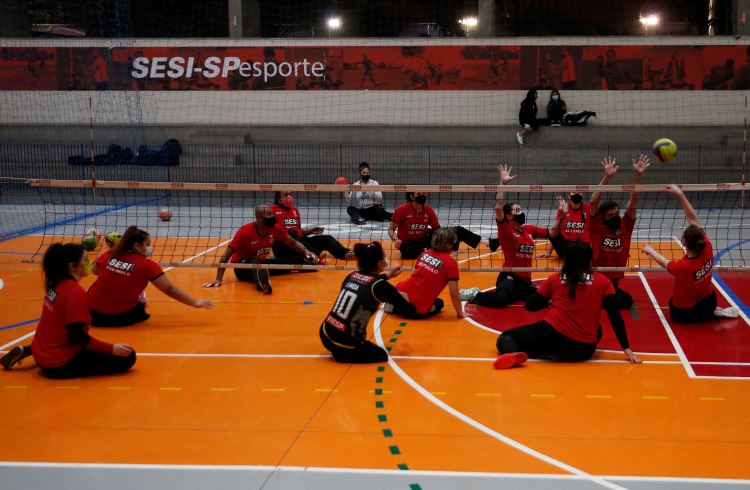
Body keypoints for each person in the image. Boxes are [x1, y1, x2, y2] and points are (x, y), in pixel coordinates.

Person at [494, 242, 641, 369]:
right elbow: (615, 317)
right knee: (598, 329)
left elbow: (531, 306)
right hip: (584, 351)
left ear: (567, 260)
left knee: (506, 337)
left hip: (553, 341)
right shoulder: (603, 282)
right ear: (590, 259)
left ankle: (512, 354)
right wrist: (626, 348)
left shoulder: (555, 279)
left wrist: (550, 300)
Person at [0, 243, 136, 377]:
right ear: (72, 266)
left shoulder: (55, 283)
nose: (89, 263)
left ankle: (30, 350)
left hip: (41, 351)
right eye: (85, 260)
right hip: (58, 364)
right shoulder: (75, 293)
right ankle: (35, 352)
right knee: (128, 357)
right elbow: (78, 337)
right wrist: (112, 349)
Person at [461, 164, 560, 308]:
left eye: (521, 210)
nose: (521, 213)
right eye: (517, 211)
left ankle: (515, 294)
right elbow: (498, 207)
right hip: (509, 276)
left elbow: (552, 233)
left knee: (544, 300)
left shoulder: (529, 229)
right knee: (501, 299)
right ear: (508, 216)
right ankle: (476, 294)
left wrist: (561, 215)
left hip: (525, 281)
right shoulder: (505, 229)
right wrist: (503, 184)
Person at [641, 185, 739, 322]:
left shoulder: (682, 267)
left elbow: (664, 262)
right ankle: (711, 312)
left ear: (684, 243)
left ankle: (707, 314)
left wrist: (650, 250)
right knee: (705, 297)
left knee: (672, 304)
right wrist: (680, 194)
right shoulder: (707, 247)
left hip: (685, 312)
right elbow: (693, 218)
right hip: (709, 301)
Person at [88, 226, 213, 327]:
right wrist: (195, 302)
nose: (150, 247)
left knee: (97, 285)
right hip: (118, 318)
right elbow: (169, 289)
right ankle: (140, 297)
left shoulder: (109, 254)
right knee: (140, 308)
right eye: (148, 244)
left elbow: (95, 271)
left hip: (91, 314)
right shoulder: (147, 265)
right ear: (137, 246)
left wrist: (116, 270)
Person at [320, 242, 418, 363]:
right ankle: (342, 354)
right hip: (343, 342)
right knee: (381, 355)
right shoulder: (381, 287)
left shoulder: (351, 276)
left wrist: (387, 276)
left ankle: (340, 350)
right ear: (379, 263)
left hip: (325, 332)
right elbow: (407, 309)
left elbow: (367, 284)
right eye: (383, 256)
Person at [204, 205, 318, 294]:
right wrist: (218, 279)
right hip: (242, 266)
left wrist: (306, 252)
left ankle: (308, 264)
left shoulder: (275, 228)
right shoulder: (245, 232)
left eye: (273, 214)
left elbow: (292, 242)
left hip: (263, 262)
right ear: (259, 218)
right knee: (256, 265)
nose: (273, 217)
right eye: (269, 215)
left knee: (289, 261)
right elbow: (226, 256)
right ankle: (262, 283)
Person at [590, 154, 650, 310]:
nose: (615, 216)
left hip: (614, 280)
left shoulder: (625, 225)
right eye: (611, 214)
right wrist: (606, 177)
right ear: (603, 215)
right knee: (619, 301)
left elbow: (634, 199)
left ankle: (596, 299)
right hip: (596, 277)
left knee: (626, 301)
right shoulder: (596, 225)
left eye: (617, 213)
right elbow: (593, 202)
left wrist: (637, 176)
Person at [389, 227, 465, 319]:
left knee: (407, 287)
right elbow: (454, 293)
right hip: (414, 309)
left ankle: (397, 303)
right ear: (449, 245)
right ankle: (406, 306)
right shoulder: (451, 263)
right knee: (439, 303)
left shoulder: (424, 253)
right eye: (455, 241)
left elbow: (414, 274)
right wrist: (460, 313)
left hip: (400, 291)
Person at [389, 191, 486, 260]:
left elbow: (437, 230)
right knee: (408, 252)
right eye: (418, 194)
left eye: (423, 194)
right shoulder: (402, 210)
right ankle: (434, 251)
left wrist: (449, 236)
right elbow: (391, 230)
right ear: (411, 196)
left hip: (424, 239)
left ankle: (489, 242)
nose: (422, 196)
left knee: (457, 230)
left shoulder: (428, 210)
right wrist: (396, 240)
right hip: (407, 243)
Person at [272, 191, 355, 262]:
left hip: (301, 243)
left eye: (290, 194)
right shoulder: (272, 210)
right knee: (291, 232)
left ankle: (346, 253)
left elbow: (299, 232)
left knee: (327, 239)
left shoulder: (295, 211)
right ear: (279, 199)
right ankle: (314, 254)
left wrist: (311, 231)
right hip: (283, 245)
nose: (289, 197)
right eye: (286, 195)